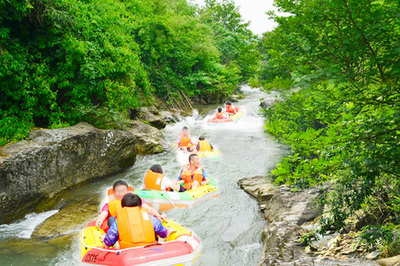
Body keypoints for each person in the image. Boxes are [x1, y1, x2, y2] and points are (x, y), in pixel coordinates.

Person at [101, 194, 170, 249]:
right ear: (140, 206)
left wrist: (105, 241)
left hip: (128, 251)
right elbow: (163, 233)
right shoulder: (150, 218)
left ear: (123, 207)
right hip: (149, 248)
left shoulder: (118, 221)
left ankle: (116, 245)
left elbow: (107, 243)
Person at [95, 180, 164, 231]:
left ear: (128, 191)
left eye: (123, 191)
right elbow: (104, 213)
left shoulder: (135, 199)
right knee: (111, 219)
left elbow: (147, 208)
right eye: (118, 191)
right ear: (114, 192)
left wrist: (157, 214)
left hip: (135, 223)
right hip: (119, 226)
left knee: (146, 215)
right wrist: (100, 219)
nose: (121, 194)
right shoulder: (110, 203)